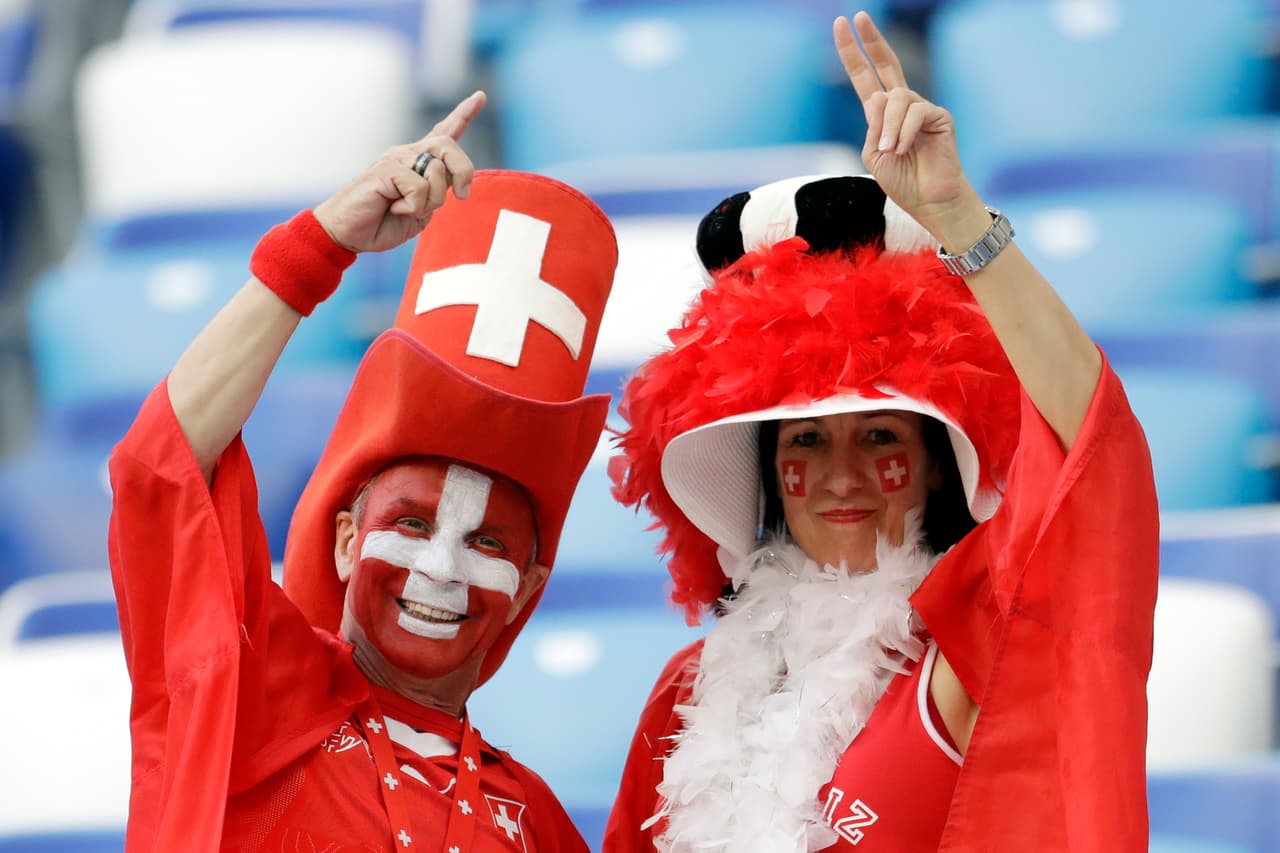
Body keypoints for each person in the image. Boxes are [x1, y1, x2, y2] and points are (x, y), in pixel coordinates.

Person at [603, 12, 1158, 853]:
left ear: (938, 466)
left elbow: (1092, 452)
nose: (840, 473)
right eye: (804, 441)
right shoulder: (685, 691)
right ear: (765, 471)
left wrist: (959, 220)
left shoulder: (979, 655)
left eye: (878, 436)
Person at [107, 90, 620, 852]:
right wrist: (319, 246)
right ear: (347, 539)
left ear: (529, 591)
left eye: (486, 543)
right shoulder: (253, 690)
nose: (440, 568)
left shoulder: (536, 820)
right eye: (412, 523)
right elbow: (164, 462)